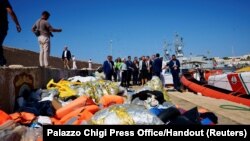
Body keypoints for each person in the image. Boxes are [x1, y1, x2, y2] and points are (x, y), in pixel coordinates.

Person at [0, 0, 21, 67]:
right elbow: (10, 11)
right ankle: (2, 62)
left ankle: (2, 62)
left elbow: (10, 11)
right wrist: (17, 24)